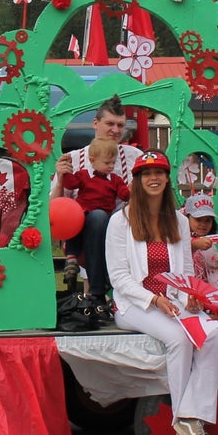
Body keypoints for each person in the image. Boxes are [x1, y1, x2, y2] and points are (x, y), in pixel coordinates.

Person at [105, 150, 218, 435]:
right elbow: (119, 277)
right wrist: (154, 299)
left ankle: (191, 416)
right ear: (137, 180)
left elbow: (184, 271)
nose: (153, 178)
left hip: (171, 300)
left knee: (211, 336)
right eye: (146, 173)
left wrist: (190, 296)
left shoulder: (179, 222)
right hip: (135, 305)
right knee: (178, 340)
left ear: (168, 179)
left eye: (159, 172)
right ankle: (180, 417)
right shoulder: (121, 221)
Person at [51, 95, 142, 305]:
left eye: (120, 125)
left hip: (126, 229)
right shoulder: (75, 158)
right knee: (99, 218)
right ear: (96, 124)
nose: (115, 130)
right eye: (109, 123)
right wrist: (61, 180)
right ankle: (96, 294)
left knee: (111, 220)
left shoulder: (134, 156)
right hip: (86, 228)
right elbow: (55, 208)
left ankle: (104, 297)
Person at [58, 137, 130, 218]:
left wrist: (131, 190)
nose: (111, 166)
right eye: (107, 163)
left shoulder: (116, 180)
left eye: (113, 162)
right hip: (84, 214)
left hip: (105, 216)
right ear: (92, 161)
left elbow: (124, 195)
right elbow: (70, 184)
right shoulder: (83, 175)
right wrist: (67, 171)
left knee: (100, 215)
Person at [181, 193, 218, 288]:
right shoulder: (179, 238)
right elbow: (179, 250)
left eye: (208, 220)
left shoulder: (210, 244)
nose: (203, 224)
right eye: (198, 219)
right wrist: (194, 245)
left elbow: (216, 275)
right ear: (186, 217)